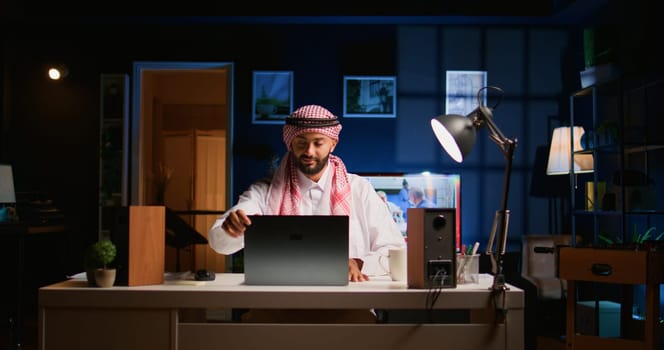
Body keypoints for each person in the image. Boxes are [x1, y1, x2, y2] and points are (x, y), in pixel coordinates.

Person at [208, 104, 406, 322]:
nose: (309, 152)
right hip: (276, 310)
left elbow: (396, 251)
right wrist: (231, 229)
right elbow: (218, 242)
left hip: (349, 307)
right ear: (290, 144)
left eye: (318, 143)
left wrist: (358, 262)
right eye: (301, 143)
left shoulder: (360, 189)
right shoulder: (264, 191)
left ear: (333, 143)